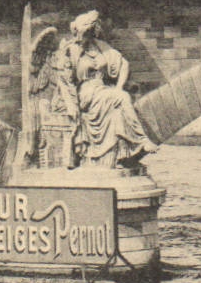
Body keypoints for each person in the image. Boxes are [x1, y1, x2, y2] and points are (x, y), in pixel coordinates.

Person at [58, 10, 158, 169]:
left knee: (118, 107)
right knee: (122, 97)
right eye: (85, 31)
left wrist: (118, 86)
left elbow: (123, 64)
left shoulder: (100, 47)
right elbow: (65, 81)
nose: (87, 34)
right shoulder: (72, 50)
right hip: (86, 93)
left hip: (103, 90)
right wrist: (71, 105)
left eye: (90, 30)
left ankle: (125, 153)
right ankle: (141, 140)